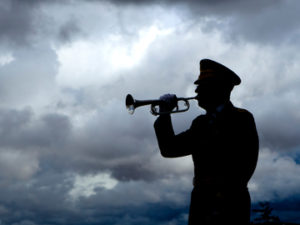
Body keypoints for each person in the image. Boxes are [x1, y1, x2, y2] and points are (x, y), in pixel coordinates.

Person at [154, 59, 259, 225]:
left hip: (231, 203)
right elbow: (169, 149)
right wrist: (164, 116)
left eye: (202, 86)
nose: (196, 91)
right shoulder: (200, 123)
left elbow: (245, 165)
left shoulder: (241, 118)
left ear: (219, 89)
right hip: (201, 201)